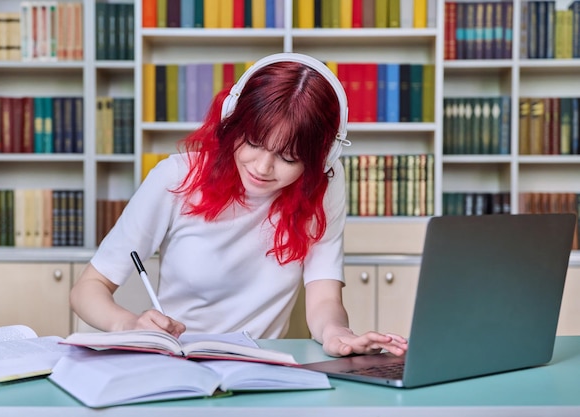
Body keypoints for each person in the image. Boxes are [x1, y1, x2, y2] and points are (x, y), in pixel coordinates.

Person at [71, 53, 408, 358]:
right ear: (232, 122)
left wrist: (338, 334)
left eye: (288, 157)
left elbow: (324, 299)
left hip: (260, 367)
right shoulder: (175, 177)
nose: (262, 167)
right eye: (252, 142)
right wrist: (128, 325)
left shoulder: (325, 185)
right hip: (176, 362)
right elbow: (88, 290)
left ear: (321, 160)